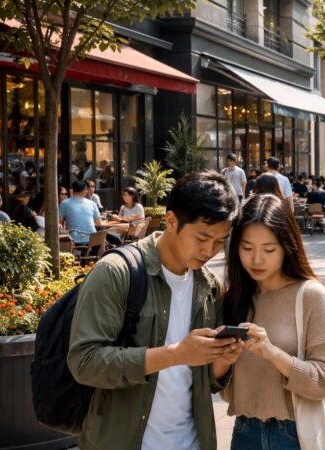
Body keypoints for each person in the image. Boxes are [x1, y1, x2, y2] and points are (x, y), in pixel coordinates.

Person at [67, 171, 243, 450]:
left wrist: (223, 359)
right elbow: (85, 362)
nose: (210, 250)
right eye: (202, 237)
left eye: (220, 241)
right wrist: (174, 355)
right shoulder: (116, 273)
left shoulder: (209, 286)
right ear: (171, 221)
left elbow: (207, 382)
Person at [218, 194, 325, 450]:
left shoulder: (310, 295)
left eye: (269, 249)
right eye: (247, 248)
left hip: (296, 434)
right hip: (244, 432)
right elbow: (225, 388)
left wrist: (273, 353)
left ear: (287, 246)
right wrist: (220, 359)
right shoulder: (236, 298)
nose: (257, 259)